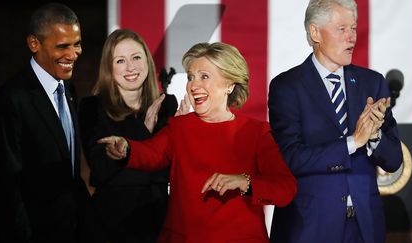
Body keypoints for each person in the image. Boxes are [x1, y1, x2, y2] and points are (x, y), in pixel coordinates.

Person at [98, 42, 297, 243]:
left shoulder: (256, 132)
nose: (194, 85)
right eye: (191, 77)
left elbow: (285, 189)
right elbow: (151, 152)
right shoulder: (179, 127)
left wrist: (244, 182)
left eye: (204, 76)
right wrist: (127, 148)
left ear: (230, 85)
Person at [268, 0, 403, 243]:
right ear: (315, 32)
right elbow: (290, 159)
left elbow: (394, 161)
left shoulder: (372, 83)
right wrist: (353, 142)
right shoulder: (287, 87)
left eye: (353, 28)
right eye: (342, 29)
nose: (352, 37)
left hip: (364, 228)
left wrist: (373, 137)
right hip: (309, 228)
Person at [0, 3, 91, 243]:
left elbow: (70, 173)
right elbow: (5, 187)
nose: (73, 54)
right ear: (34, 44)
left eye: (76, 44)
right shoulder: (11, 99)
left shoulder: (68, 89)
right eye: (62, 46)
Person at [78, 29, 179, 243]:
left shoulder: (168, 105)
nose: (130, 67)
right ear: (109, 68)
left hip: (160, 223)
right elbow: (101, 169)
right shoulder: (92, 108)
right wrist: (144, 131)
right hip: (112, 225)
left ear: (147, 61)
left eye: (136, 57)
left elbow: (166, 170)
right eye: (120, 61)